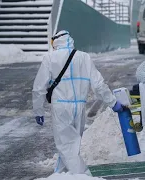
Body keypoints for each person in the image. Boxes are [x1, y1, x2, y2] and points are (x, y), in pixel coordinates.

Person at [32, 30, 123, 176]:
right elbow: (98, 84)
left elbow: (38, 88)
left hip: (60, 107)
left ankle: (84, 176)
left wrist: (38, 110)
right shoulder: (84, 57)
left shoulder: (50, 58)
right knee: (71, 146)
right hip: (80, 108)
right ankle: (59, 174)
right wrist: (113, 102)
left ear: (55, 41)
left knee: (67, 145)